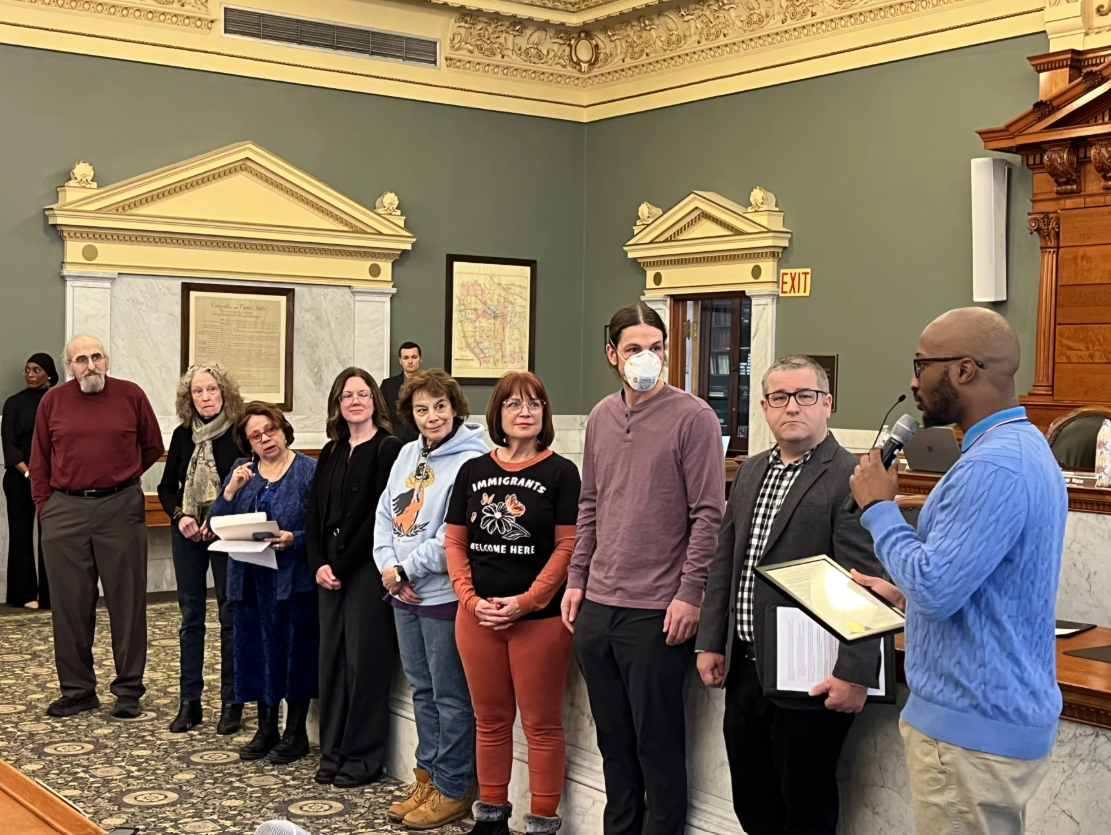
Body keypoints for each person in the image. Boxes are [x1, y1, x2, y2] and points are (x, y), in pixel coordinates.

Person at [850, 308, 1067, 835]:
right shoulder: (1022, 447)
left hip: (969, 732)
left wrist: (880, 509)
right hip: (990, 721)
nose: (912, 380)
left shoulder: (991, 466)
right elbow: (967, 581)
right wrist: (902, 593)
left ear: (965, 370)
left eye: (921, 364)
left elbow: (937, 587)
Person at [695, 354, 885, 835]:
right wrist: (711, 640)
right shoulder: (751, 471)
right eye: (780, 397)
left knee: (805, 808)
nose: (792, 407)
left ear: (828, 404)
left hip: (812, 677)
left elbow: (866, 581)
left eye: (805, 396)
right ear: (763, 405)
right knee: (752, 802)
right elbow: (725, 561)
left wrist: (855, 672)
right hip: (745, 670)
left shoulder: (852, 479)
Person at [561, 303, 725, 835]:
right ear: (612, 355)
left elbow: (708, 514)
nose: (646, 358)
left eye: (656, 347)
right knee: (614, 742)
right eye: (633, 349)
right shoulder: (601, 416)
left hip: (656, 611)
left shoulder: (694, 416)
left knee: (657, 744)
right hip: (598, 607)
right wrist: (577, 580)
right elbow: (589, 505)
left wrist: (690, 593)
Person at [446, 372, 582, 835]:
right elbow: (455, 543)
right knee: (490, 721)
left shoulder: (562, 473)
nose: (525, 412)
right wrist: (468, 599)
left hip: (540, 620)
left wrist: (527, 602)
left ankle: (542, 821)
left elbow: (568, 548)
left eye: (535, 404)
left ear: (544, 414)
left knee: (542, 725)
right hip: (477, 617)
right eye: (514, 404)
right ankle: (491, 817)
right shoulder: (472, 470)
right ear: (497, 415)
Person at [373, 369, 487, 830]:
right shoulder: (405, 454)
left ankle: (454, 787)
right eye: (422, 409)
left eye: (440, 406)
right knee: (422, 691)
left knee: (450, 696)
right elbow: (385, 513)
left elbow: (451, 535)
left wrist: (405, 569)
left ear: (456, 408)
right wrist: (387, 568)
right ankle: (428, 778)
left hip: (442, 596)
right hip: (401, 595)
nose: (432, 416)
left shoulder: (473, 460)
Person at [31, 334, 163, 719]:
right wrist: (45, 508)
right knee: (70, 606)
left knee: (127, 602)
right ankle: (77, 690)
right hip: (65, 510)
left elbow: (152, 445)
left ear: (107, 360)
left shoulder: (130, 395)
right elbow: (39, 459)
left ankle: (128, 691)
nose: (90, 365)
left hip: (119, 508)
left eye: (97, 357)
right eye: (81, 359)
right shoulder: (52, 401)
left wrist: (122, 476)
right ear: (69, 367)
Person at [306, 368, 402, 788]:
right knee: (331, 665)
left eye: (363, 394)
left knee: (364, 664)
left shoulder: (388, 448)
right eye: (347, 395)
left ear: (375, 402)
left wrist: (340, 565)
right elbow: (313, 515)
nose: (355, 401)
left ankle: (362, 758)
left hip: (365, 571)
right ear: (337, 404)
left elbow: (377, 516)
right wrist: (317, 564)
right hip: (327, 572)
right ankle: (332, 753)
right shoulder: (330, 450)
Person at [208, 402, 318, 764]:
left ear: (283, 429)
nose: (265, 439)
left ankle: (296, 732)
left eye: (270, 429)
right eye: (255, 436)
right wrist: (229, 493)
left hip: (291, 579)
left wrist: (294, 539)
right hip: (251, 579)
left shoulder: (307, 471)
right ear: (248, 444)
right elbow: (215, 524)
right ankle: (266, 727)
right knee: (256, 650)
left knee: (292, 652)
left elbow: (318, 529)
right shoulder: (242, 471)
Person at [157, 364, 245, 735]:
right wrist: (180, 516)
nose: (205, 397)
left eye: (211, 390)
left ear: (224, 393)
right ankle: (189, 702)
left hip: (226, 534)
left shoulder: (239, 435)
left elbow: (248, 485)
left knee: (230, 617)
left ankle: (232, 703)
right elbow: (166, 487)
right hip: (189, 533)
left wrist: (219, 518)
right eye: (198, 391)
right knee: (190, 617)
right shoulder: (182, 436)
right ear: (188, 397)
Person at [3, 352, 57, 609]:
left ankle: (51, 595)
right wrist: (28, 473)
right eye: (27, 370)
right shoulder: (13, 403)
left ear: (49, 374)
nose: (30, 375)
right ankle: (23, 595)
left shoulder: (57, 401)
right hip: (18, 477)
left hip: (52, 480)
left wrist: (46, 475)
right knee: (20, 535)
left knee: (51, 536)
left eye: (36, 370)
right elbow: (10, 446)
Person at [381, 342, 423, 444]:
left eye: (414, 357)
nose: (410, 361)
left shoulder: (430, 384)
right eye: (405, 358)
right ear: (400, 361)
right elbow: (380, 413)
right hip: (394, 440)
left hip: (422, 439)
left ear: (420, 359)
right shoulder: (387, 385)